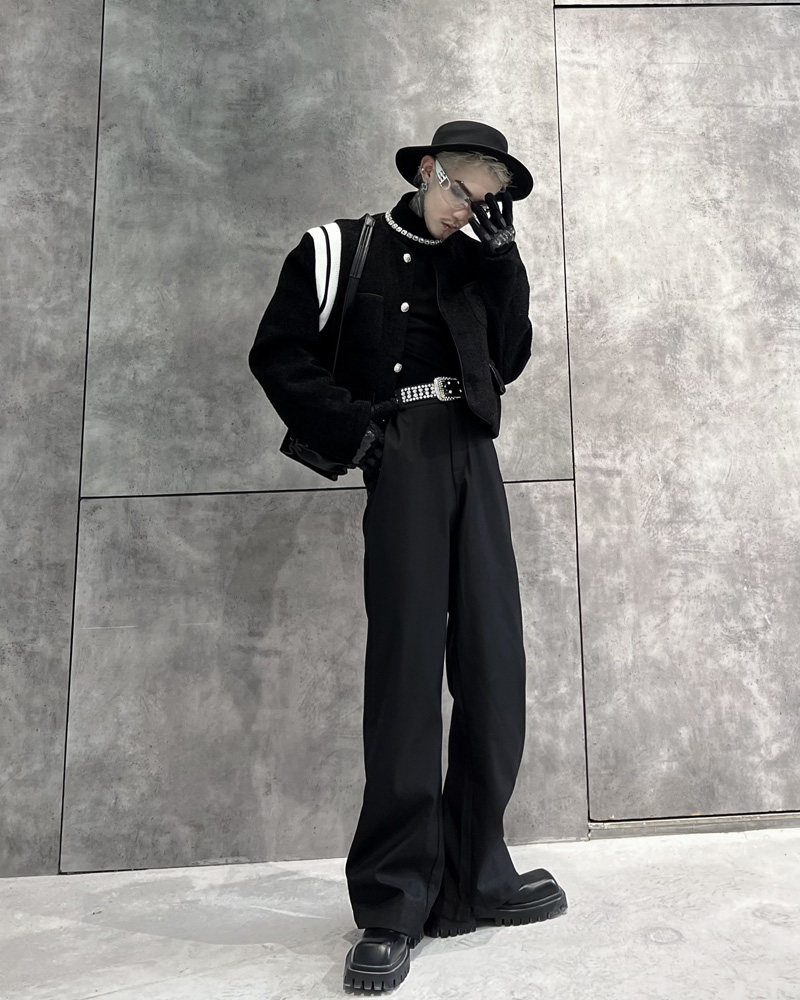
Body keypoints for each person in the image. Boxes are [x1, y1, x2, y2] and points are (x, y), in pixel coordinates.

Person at [248, 120, 567, 993]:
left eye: (487, 202)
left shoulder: (476, 260)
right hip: (402, 455)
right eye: (463, 190)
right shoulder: (337, 247)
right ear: (428, 171)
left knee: (495, 665)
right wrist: (359, 436)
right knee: (405, 675)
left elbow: (507, 362)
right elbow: (277, 353)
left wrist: (503, 264)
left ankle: (479, 871)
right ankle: (393, 902)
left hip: (473, 452)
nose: (470, 210)